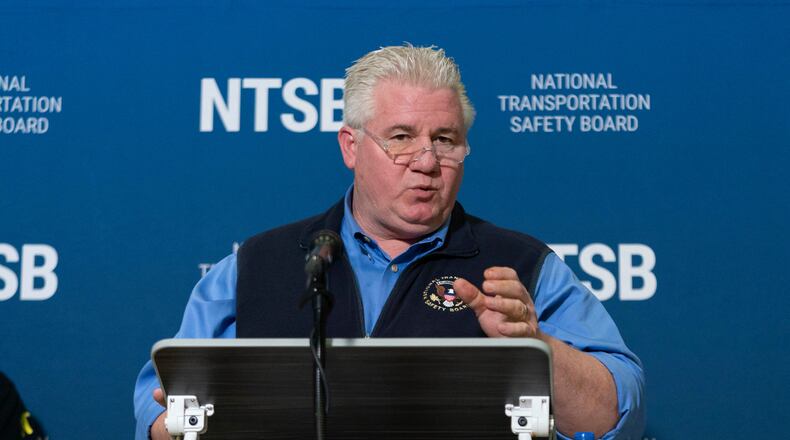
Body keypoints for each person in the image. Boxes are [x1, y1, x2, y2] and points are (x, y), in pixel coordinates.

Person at [134, 45, 645, 440]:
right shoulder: (257, 265)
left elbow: (617, 414)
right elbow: (159, 402)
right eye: (401, 137)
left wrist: (539, 347)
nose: (426, 161)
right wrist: (169, 424)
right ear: (351, 147)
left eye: (444, 140)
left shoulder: (524, 269)